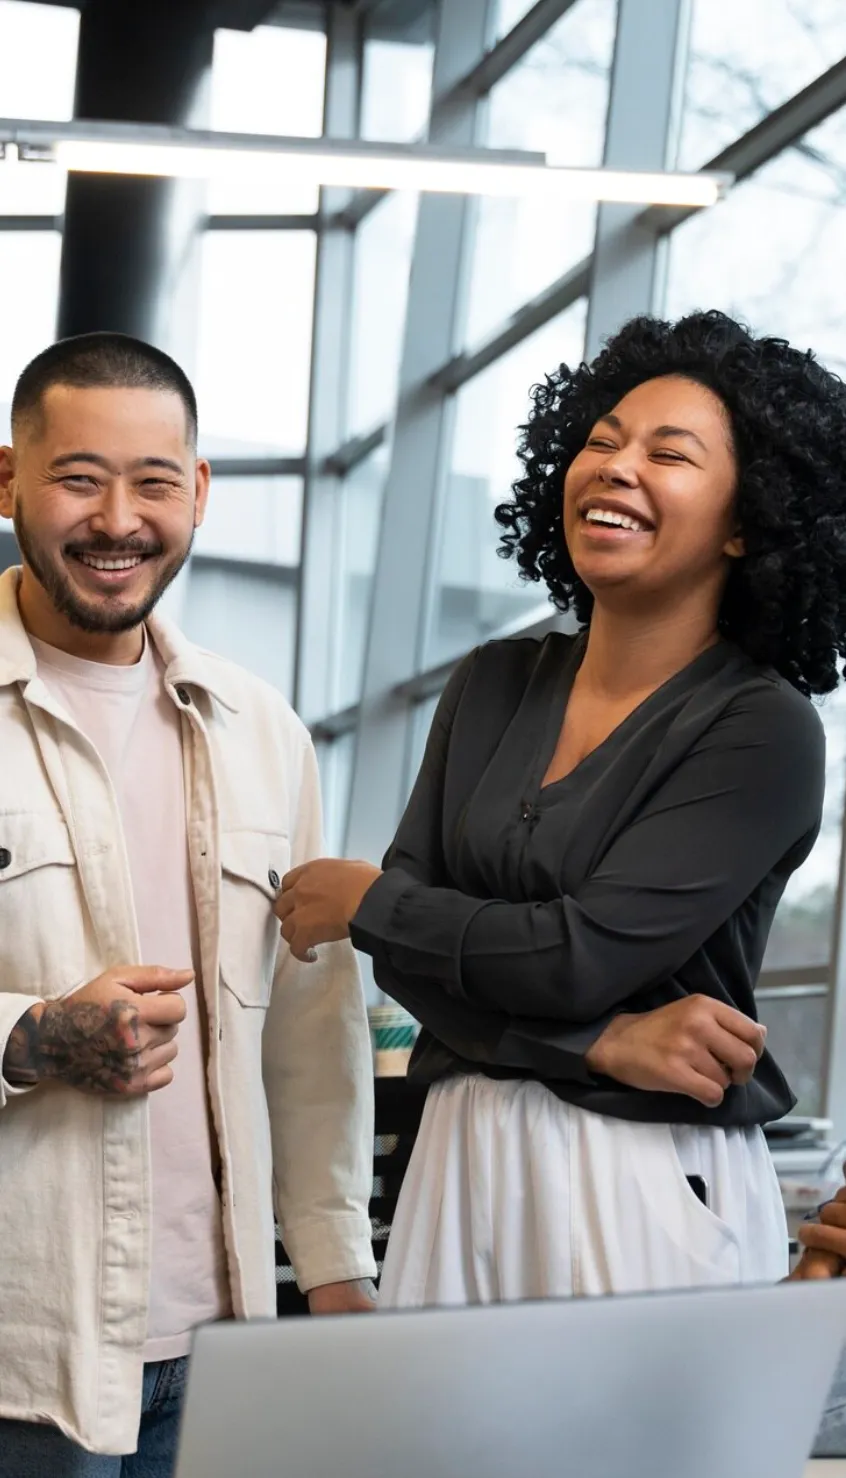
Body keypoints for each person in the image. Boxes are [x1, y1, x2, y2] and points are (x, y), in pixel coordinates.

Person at [276, 309, 846, 1308]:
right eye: (600, 440)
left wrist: (368, 901)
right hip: (456, 1151)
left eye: (669, 453)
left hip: (643, 1168)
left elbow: (575, 954)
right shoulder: (493, 681)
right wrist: (595, 1041)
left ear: (749, 518)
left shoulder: (762, 728)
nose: (617, 467)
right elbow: (433, 960)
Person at [0, 333, 376, 1475]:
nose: (118, 518)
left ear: (199, 492)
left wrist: (335, 1267)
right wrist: (30, 1035)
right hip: (26, 1358)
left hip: (226, 1348)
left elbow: (313, 1034)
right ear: (7, 479)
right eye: (78, 477)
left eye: (154, 480)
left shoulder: (261, 726)